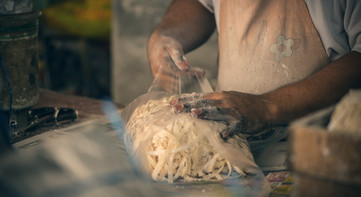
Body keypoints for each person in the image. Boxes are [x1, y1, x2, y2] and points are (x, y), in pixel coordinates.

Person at [147, 0, 361, 141]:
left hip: (323, 145)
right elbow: (201, 3)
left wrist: (266, 107)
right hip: (232, 136)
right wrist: (167, 34)